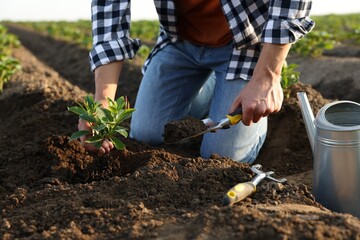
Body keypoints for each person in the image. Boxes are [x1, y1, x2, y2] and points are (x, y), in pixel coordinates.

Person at [78, 0, 314, 163]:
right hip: (180, 41)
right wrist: (103, 103)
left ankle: (249, 84)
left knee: (221, 158)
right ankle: (217, 86)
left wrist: (267, 76)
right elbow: (109, 16)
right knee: (147, 134)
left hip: (246, 44)